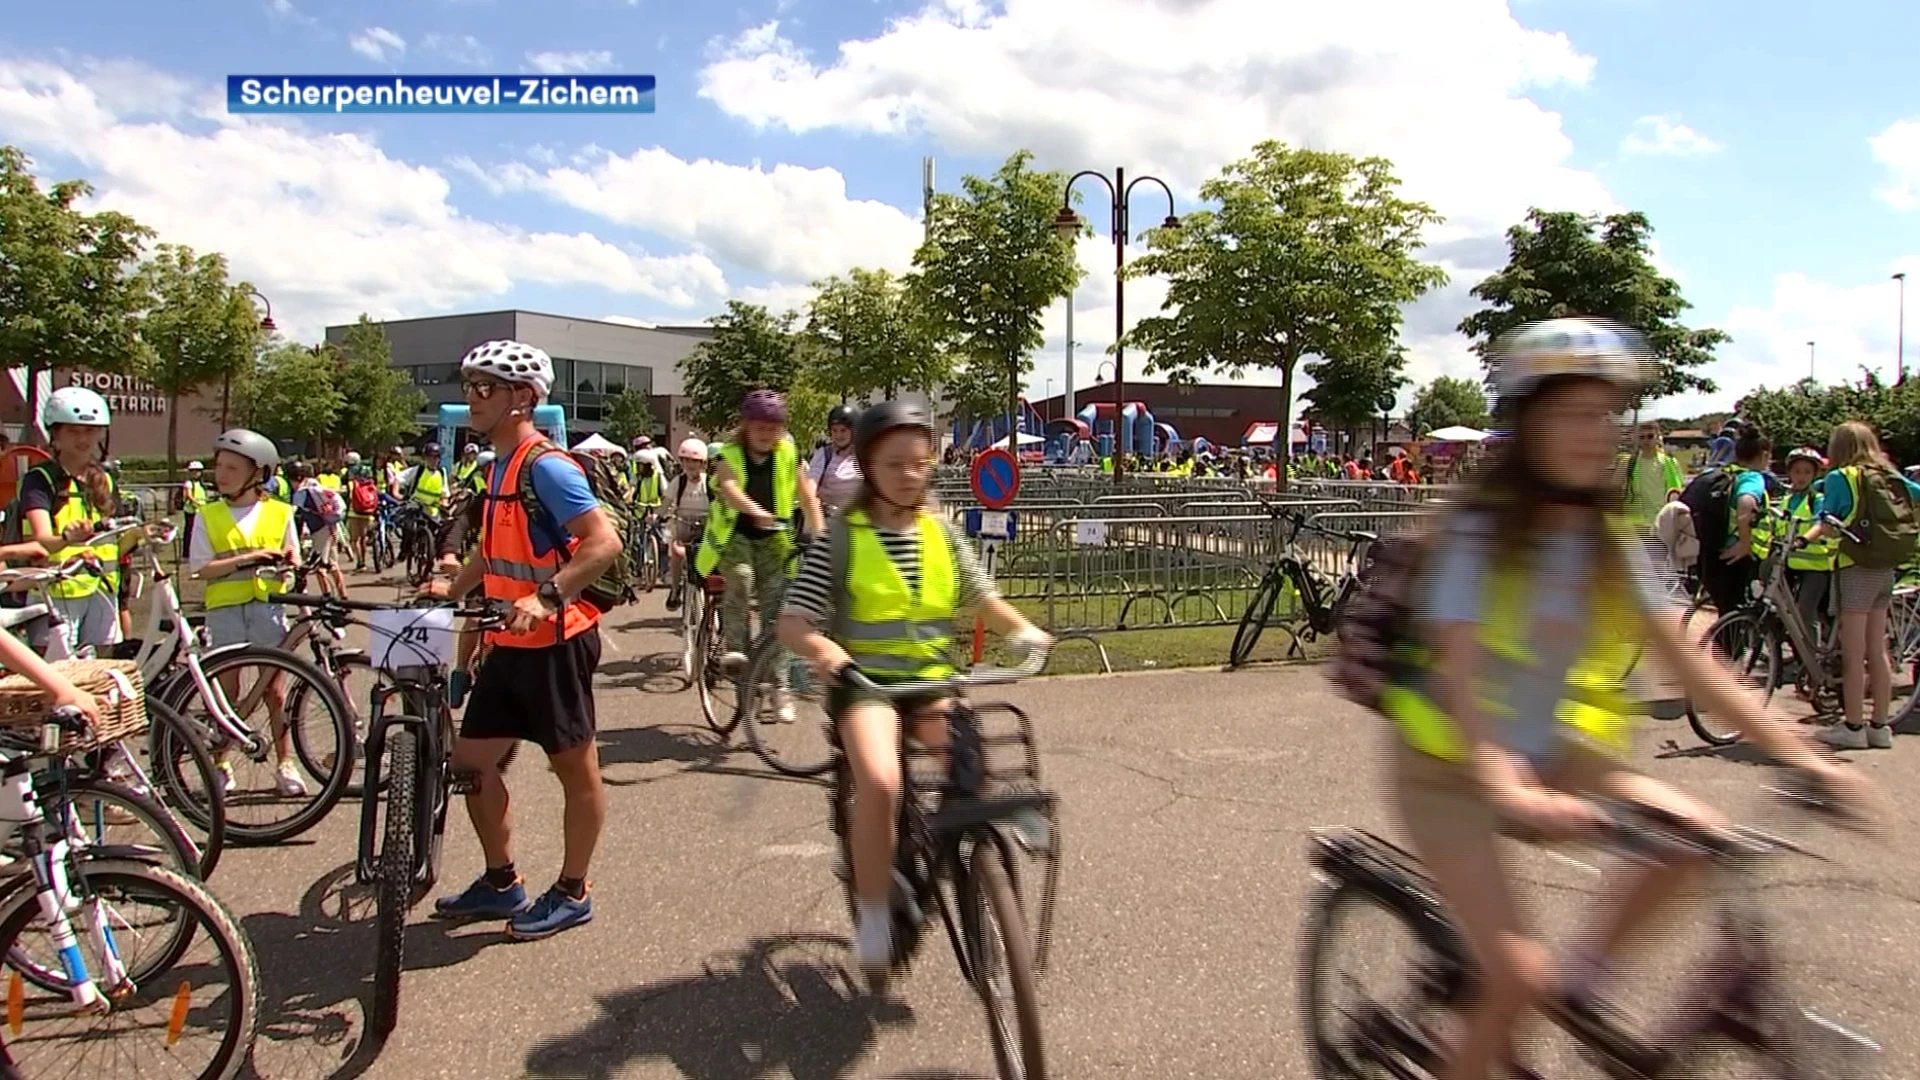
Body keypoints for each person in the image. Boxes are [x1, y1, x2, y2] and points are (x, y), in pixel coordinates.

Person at [1379, 317, 1875, 1080]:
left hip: (1550, 751)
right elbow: (1461, 672)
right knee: (1515, 978)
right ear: (1529, 423)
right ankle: (1524, 1001)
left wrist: (1804, 755)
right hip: (1450, 764)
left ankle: (1580, 985)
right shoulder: (1478, 537)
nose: (1594, 432)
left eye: (1606, 414)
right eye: (1572, 414)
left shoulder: (1601, 540)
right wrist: (1511, 788)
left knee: (1693, 838)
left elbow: (1692, 660)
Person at [775, 401, 1052, 981]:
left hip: (931, 680)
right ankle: (874, 912)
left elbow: (980, 597)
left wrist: (1023, 628)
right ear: (869, 467)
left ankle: (972, 850)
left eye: (920, 463)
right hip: (866, 685)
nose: (910, 474)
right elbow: (793, 621)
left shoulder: (942, 533)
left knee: (967, 762)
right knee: (880, 782)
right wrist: (827, 652)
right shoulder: (841, 539)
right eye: (895, 463)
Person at [423, 339, 622, 941]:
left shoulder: (546, 466)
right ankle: (501, 880)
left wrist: (546, 598)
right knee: (470, 764)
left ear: (523, 398)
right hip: (508, 644)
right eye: (470, 387)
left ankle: (572, 891)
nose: (473, 399)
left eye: (486, 388)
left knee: (575, 770)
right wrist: (452, 588)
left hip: (557, 643)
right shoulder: (499, 467)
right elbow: (493, 548)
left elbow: (602, 541)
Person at [190, 429, 306, 797]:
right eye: (219, 466)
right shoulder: (207, 514)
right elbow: (201, 568)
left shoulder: (281, 512)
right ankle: (222, 762)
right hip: (224, 609)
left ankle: (285, 764)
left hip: (268, 607)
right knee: (227, 690)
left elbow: (294, 557)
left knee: (274, 690)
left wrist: (290, 564)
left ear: (258, 473)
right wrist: (248, 559)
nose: (221, 475)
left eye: (232, 468)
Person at [1800, 421, 1920, 750]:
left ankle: (1853, 727)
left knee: (1853, 654)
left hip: (1856, 569)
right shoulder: (1891, 478)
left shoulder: (1843, 478)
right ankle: (1880, 727)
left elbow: (1826, 521)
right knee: (1877, 651)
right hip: (1885, 569)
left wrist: (1802, 539)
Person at [696, 390, 827, 682]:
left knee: (778, 603)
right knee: (741, 579)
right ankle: (735, 653)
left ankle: (775, 679)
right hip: (734, 537)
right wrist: (755, 510)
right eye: (759, 427)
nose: (766, 434)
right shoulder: (726, 455)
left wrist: (820, 535)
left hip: (773, 539)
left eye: (773, 428)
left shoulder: (788, 454)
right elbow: (729, 489)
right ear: (746, 426)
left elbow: (807, 497)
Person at [18, 387, 126, 652]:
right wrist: (67, 537)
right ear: (55, 434)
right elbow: (42, 538)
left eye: (90, 430)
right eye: (73, 431)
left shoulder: (104, 478)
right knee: (59, 672)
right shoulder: (40, 480)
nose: (83, 438)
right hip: (56, 592)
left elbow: (118, 534)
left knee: (100, 672)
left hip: (101, 587)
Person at [1701, 427, 1772, 616]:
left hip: (1713, 551)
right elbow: (1746, 501)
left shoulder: (1727, 472)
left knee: (1727, 615)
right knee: (1740, 617)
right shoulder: (1752, 477)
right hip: (1738, 556)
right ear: (1765, 455)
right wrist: (1744, 542)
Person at [1778, 447, 1835, 653]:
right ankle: (1797, 652)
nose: (1801, 477)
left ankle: (1810, 657)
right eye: (1797, 471)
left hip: (1815, 566)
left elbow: (1820, 524)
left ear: (1814, 474)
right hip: (1790, 564)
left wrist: (1804, 539)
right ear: (1790, 473)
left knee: (1805, 612)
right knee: (1783, 610)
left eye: (1807, 472)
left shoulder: (1817, 499)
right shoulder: (1787, 500)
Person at [289, 461, 349, 598]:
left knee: (320, 567)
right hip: (331, 527)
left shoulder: (301, 493)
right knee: (333, 565)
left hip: (320, 530)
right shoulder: (315, 486)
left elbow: (295, 514)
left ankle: (327, 597)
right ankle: (343, 597)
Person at [663, 438, 710, 611]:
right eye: (687, 460)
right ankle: (675, 590)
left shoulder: (708, 483)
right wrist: (657, 515)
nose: (691, 465)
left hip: (706, 527)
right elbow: (666, 503)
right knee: (676, 553)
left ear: (702, 463)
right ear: (681, 462)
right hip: (683, 527)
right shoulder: (679, 482)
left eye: (695, 461)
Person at [1617, 420, 1685, 529]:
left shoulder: (1669, 462)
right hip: (1635, 525)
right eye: (1641, 437)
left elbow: (1677, 493)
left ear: (1658, 437)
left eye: (1650, 436)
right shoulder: (1628, 462)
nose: (1646, 441)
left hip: (1661, 523)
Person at [808, 404, 863, 513]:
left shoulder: (865, 455)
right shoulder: (824, 454)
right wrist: (811, 498)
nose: (838, 435)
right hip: (829, 519)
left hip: (858, 519)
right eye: (834, 431)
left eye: (843, 430)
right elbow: (811, 482)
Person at [343, 450, 379, 572]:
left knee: (354, 539)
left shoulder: (348, 473)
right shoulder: (367, 470)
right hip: (368, 507)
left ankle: (360, 562)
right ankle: (366, 558)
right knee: (364, 537)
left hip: (354, 509)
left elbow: (347, 492)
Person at [402, 443, 448, 516]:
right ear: (425, 458)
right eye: (430, 456)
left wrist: (444, 502)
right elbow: (398, 478)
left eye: (436, 456)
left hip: (433, 512)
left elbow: (445, 494)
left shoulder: (442, 472)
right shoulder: (419, 470)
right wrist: (396, 494)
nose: (433, 460)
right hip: (415, 508)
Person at [178, 459, 211, 554]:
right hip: (191, 510)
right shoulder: (189, 483)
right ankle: (186, 552)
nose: (196, 473)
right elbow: (188, 495)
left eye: (198, 471)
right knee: (189, 531)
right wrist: (196, 502)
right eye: (194, 471)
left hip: (201, 510)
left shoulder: (201, 484)